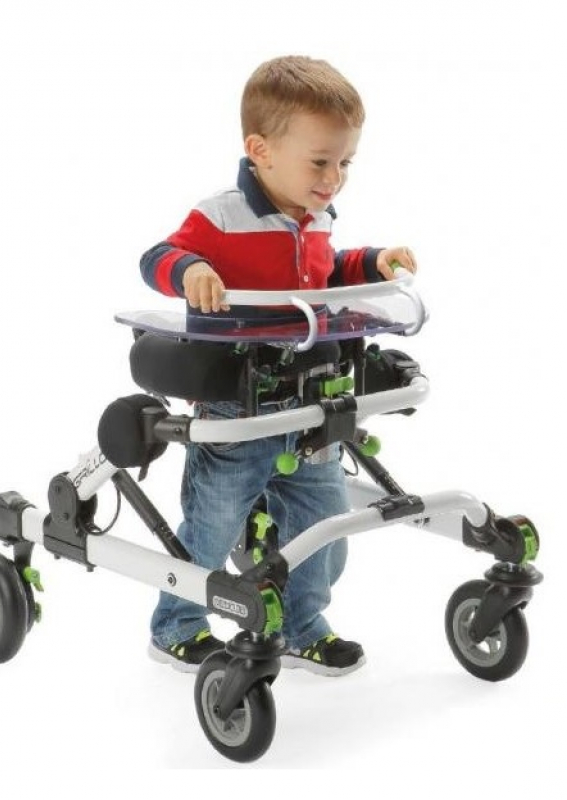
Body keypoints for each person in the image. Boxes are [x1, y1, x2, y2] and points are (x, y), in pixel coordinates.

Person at [140, 55, 417, 676]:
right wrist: (192, 270)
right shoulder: (221, 216)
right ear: (260, 150)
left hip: (310, 400)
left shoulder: (315, 218)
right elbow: (157, 257)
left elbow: (327, 273)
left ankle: (301, 626)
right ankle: (177, 627)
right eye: (320, 162)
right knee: (212, 524)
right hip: (239, 404)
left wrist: (372, 262)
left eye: (345, 163)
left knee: (323, 526)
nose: (334, 178)